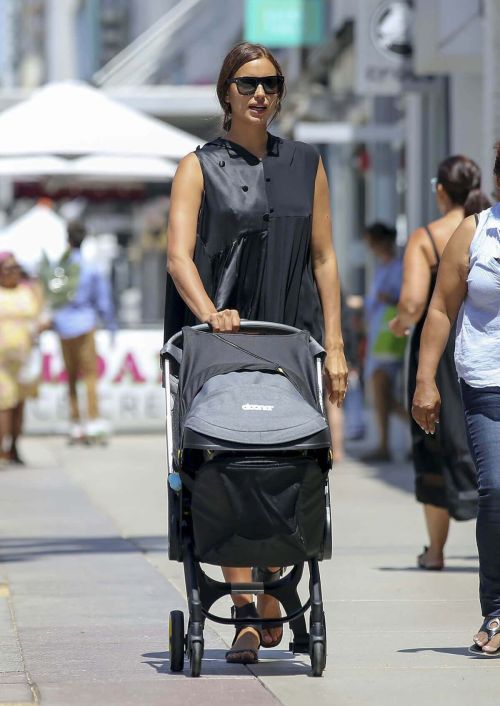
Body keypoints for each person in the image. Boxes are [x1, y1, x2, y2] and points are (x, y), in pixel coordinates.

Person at [164, 42, 348, 664]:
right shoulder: (198, 166)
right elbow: (178, 256)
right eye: (247, 85)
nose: (260, 94)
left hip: (291, 341)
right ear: (226, 94)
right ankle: (245, 608)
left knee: (285, 464)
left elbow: (324, 258)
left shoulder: (307, 164)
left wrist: (338, 345)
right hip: (221, 339)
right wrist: (208, 312)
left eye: (269, 83)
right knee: (224, 465)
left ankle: (272, 591)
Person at [412, 144, 500, 655]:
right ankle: (496, 609)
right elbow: (441, 309)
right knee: (496, 489)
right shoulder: (476, 230)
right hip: (487, 380)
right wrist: (426, 380)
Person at [390, 156, 485, 572]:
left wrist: (398, 324)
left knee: (432, 442)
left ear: (441, 190)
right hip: (479, 341)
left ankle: (436, 550)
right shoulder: (482, 228)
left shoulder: (427, 238)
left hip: (437, 348)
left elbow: (413, 303)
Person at [48, 221, 116, 443]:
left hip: (63, 325)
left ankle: (75, 423)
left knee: (70, 376)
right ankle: (93, 421)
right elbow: (103, 301)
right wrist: (110, 324)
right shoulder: (91, 267)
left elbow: (52, 296)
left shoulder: (60, 268)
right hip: (85, 324)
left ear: (68, 240)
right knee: (89, 376)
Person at [362, 222, 407, 462]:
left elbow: (405, 300)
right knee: (381, 392)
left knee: (382, 389)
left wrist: (386, 298)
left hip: (389, 335)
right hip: (379, 334)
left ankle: (385, 443)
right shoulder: (382, 267)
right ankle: (389, 440)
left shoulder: (397, 267)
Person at [0, 253, 43, 466]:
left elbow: (39, 315)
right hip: (2, 363)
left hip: (24, 360)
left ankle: (14, 447)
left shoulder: (26, 292)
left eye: (16, 268)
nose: (12, 272)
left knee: (19, 405)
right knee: (4, 404)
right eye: (7, 268)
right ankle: (2, 450)